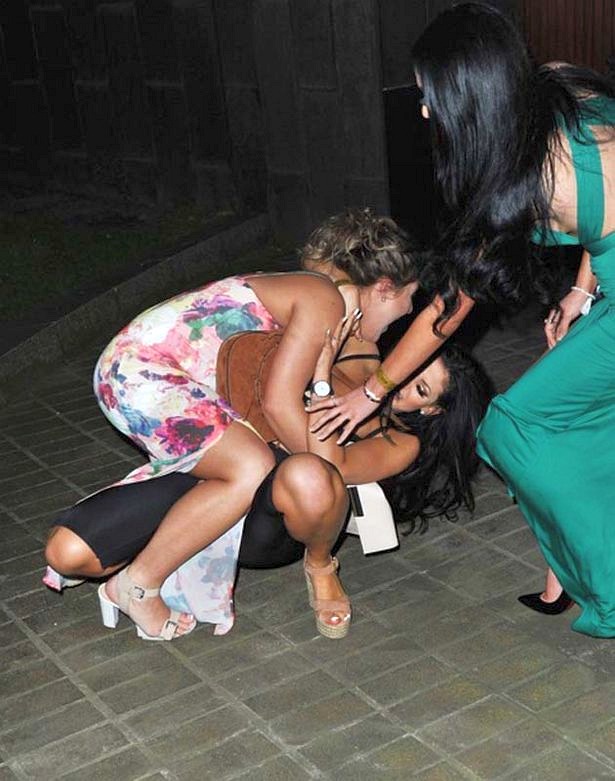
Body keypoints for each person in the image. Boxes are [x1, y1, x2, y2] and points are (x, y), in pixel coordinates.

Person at [309, 3, 615, 637]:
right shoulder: (555, 93)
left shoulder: (532, 173)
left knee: (516, 426)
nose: (425, 112)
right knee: (566, 418)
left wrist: (373, 391)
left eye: (431, 96)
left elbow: (448, 311)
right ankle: (566, 567)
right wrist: (582, 290)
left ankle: (602, 578)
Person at [44, 209, 420, 640]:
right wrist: (324, 465)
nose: (409, 311)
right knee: (250, 465)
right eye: (408, 298)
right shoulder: (325, 301)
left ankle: (133, 559)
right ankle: (138, 585)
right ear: (384, 287)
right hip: (144, 373)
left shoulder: (303, 289)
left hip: (130, 371)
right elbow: (278, 404)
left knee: (234, 470)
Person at [44, 318, 492, 639]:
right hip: (217, 473)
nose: (401, 384)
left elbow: (328, 464)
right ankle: (167, 554)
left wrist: (320, 380)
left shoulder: (400, 441)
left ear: (431, 409)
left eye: (420, 389)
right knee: (66, 553)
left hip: (268, 520)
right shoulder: (358, 363)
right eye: (411, 370)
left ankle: (320, 567)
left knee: (306, 474)